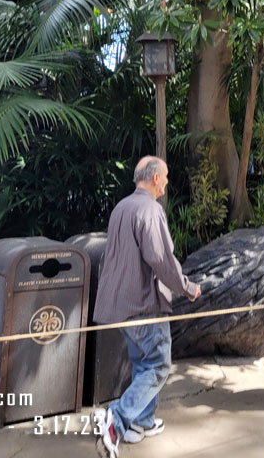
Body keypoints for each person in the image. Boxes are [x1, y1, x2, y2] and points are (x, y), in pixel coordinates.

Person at [93, 157, 202, 458]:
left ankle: (142, 421)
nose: (167, 181)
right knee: (158, 366)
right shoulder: (150, 210)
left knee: (143, 363)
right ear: (155, 178)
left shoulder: (121, 208)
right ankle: (116, 418)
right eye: (166, 176)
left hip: (120, 305)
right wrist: (187, 287)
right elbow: (161, 259)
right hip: (144, 304)